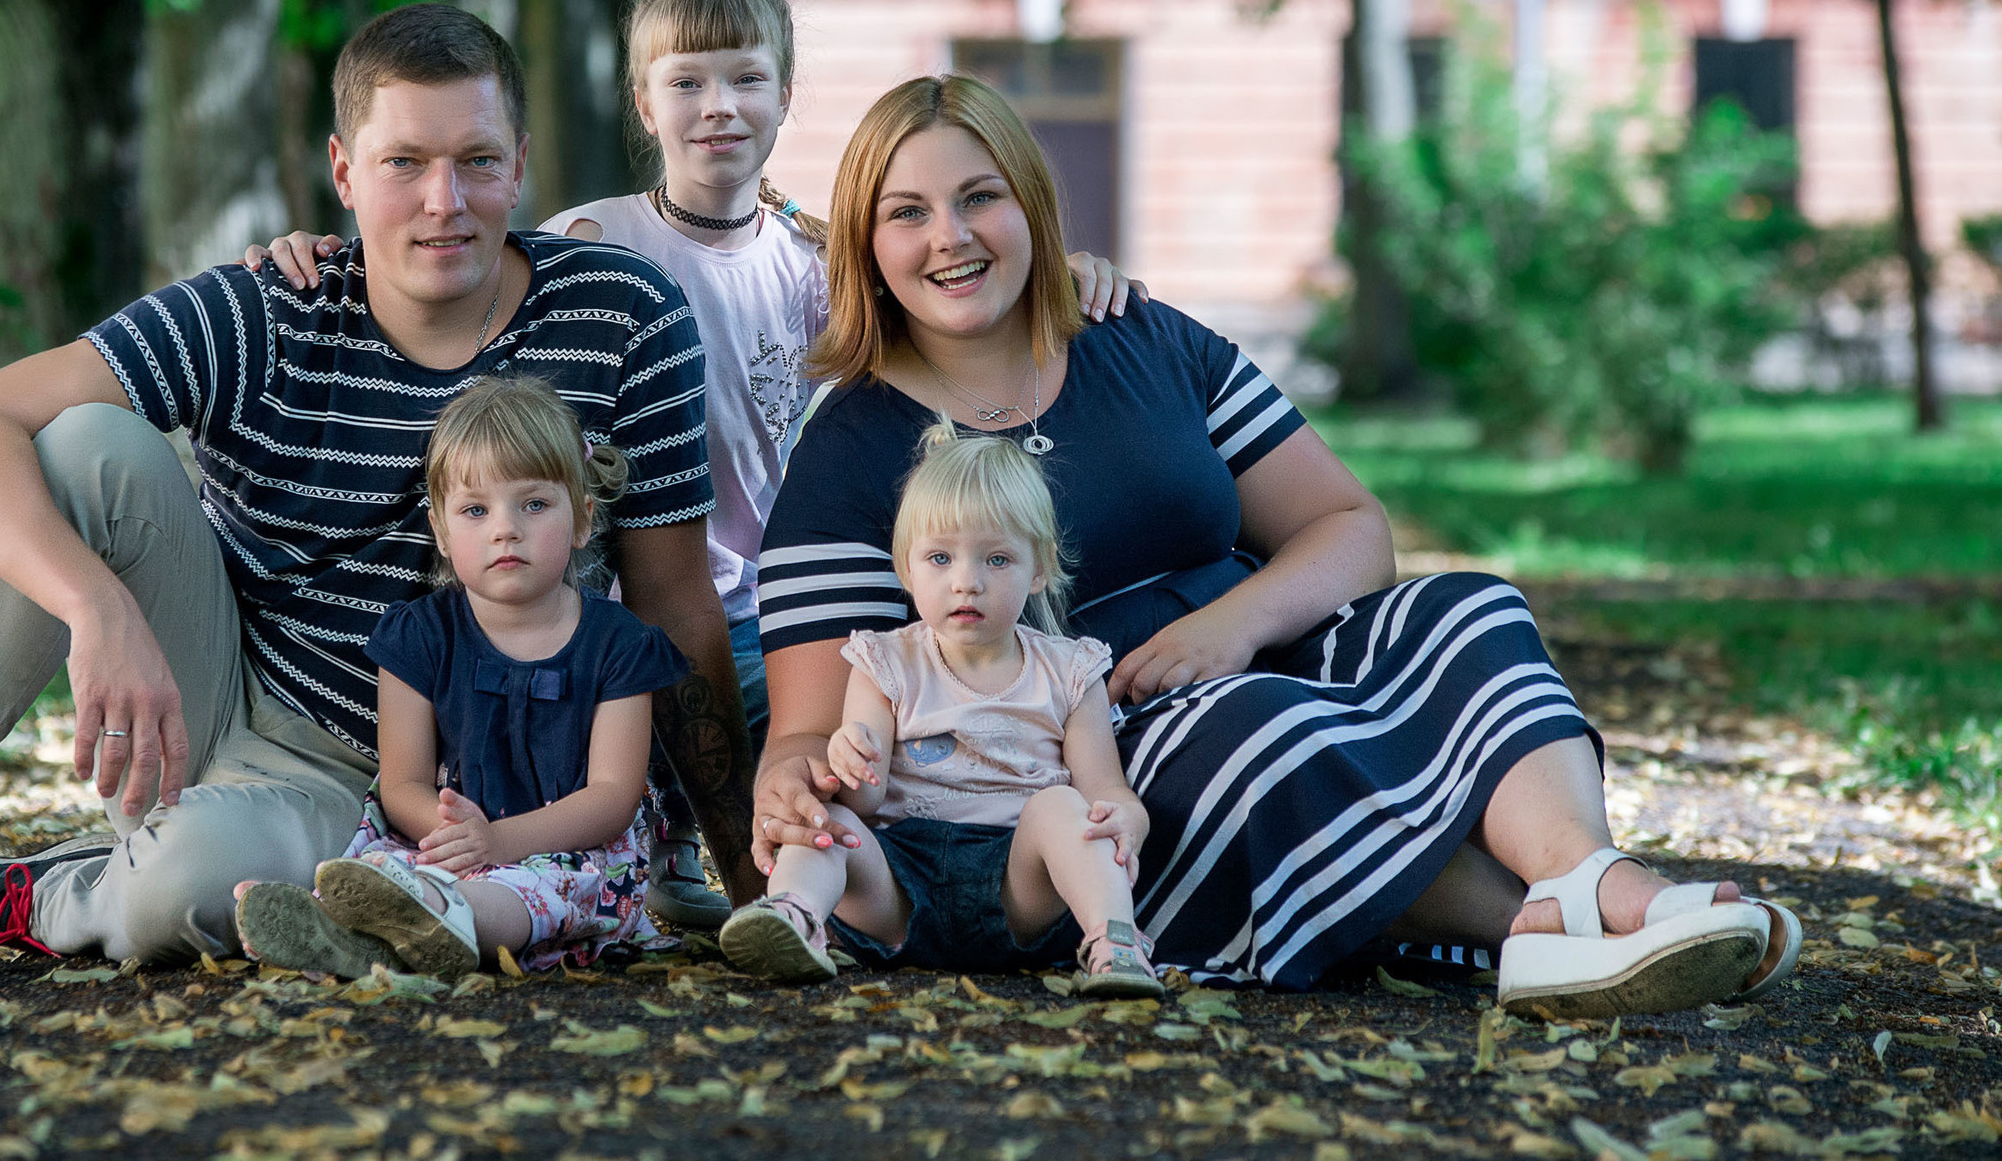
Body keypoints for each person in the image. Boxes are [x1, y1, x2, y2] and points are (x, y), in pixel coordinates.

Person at [0, 4, 755, 991]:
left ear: (519, 163)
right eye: (403, 162)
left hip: (424, 790)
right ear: (342, 171)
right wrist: (97, 609)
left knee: (181, 890)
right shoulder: (265, 308)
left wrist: (746, 871)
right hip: (221, 701)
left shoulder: (619, 315)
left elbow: (674, 601)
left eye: (474, 160)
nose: (441, 202)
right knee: (78, 442)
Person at [749, 74, 1803, 1018]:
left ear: (1030, 202)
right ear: (866, 248)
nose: (951, 236)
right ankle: (1564, 927)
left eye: (979, 197)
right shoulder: (852, 449)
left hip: (1253, 638)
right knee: (1263, 728)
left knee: (1471, 607)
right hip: (1088, 745)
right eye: (907, 214)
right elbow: (806, 729)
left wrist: (1234, 624)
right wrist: (794, 786)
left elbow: (1349, 528)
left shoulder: (1145, 339)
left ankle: (1589, 880)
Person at [247, 0, 1135, 930]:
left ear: (786, 95)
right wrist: (320, 252)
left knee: (831, 756)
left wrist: (1064, 271)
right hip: (625, 584)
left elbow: (941, 294)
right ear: (643, 102)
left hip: (758, 592)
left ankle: (888, 874)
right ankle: (623, 863)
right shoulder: (594, 241)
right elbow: (453, 268)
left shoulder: (809, 262)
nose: (718, 106)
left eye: (746, 79)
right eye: (686, 82)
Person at [238, 378, 688, 975]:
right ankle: (350, 926)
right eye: (476, 510)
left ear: (582, 519)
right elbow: (401, 786)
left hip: (574, 858)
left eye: (534, 504)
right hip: (449, 843)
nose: (506, 529)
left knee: (518, 896)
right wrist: (458, 837)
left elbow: (611, 798)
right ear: (444, 533)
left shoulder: (619, 645)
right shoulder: (419, 636)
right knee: (384, 871)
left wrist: (498, 843)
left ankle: (436, 923)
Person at [718, 426, 1158, 997]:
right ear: (906, 568)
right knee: (837, 826)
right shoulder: (883, 663)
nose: (966, 582)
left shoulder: (1069, 671)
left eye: (997, 558)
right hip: (900, 886)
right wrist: (850, 758)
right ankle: (795, 917)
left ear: (1040, 568)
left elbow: (1105, 790)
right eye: (940, 557)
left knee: (1062, 808)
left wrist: (1130, 819)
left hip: (1018, 888)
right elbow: (865, 800)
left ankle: (1113, 942)